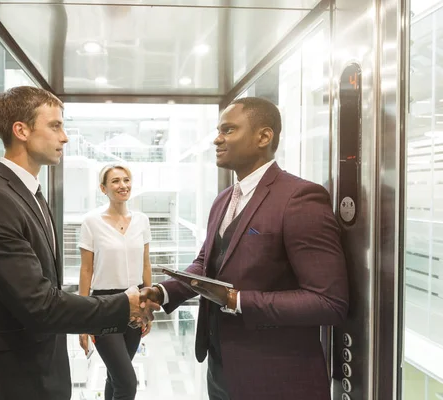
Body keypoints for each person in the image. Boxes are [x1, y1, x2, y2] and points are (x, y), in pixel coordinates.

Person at [0, 86, 157, 400]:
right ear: (21, 130)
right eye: (55, 126)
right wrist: (123, 304)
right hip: (16, 381)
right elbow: (38, 304)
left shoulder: (29, 194)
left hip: (44, 372)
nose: (64, 137)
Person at [141, 97, 349, 399]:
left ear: (264, 137)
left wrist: (238, 300)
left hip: (277, 380)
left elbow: (329, 302)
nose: (217, 139)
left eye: (228, 130)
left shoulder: (300, 198)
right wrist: (163, 292)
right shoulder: (223, 199)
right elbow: (206, 264)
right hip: (221, 371)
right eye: (218, 130)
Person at [78, 164, 153, 400]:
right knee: (127, 383)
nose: (123, 185)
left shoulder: (142, 220)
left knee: (116, 377)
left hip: (136, 303)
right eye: (116, 181)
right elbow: (86, 270)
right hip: (104, 305)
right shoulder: (91, 222)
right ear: (103, 188)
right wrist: (82, 318)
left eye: (127, 180)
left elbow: (146, 265)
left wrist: (149, 307)